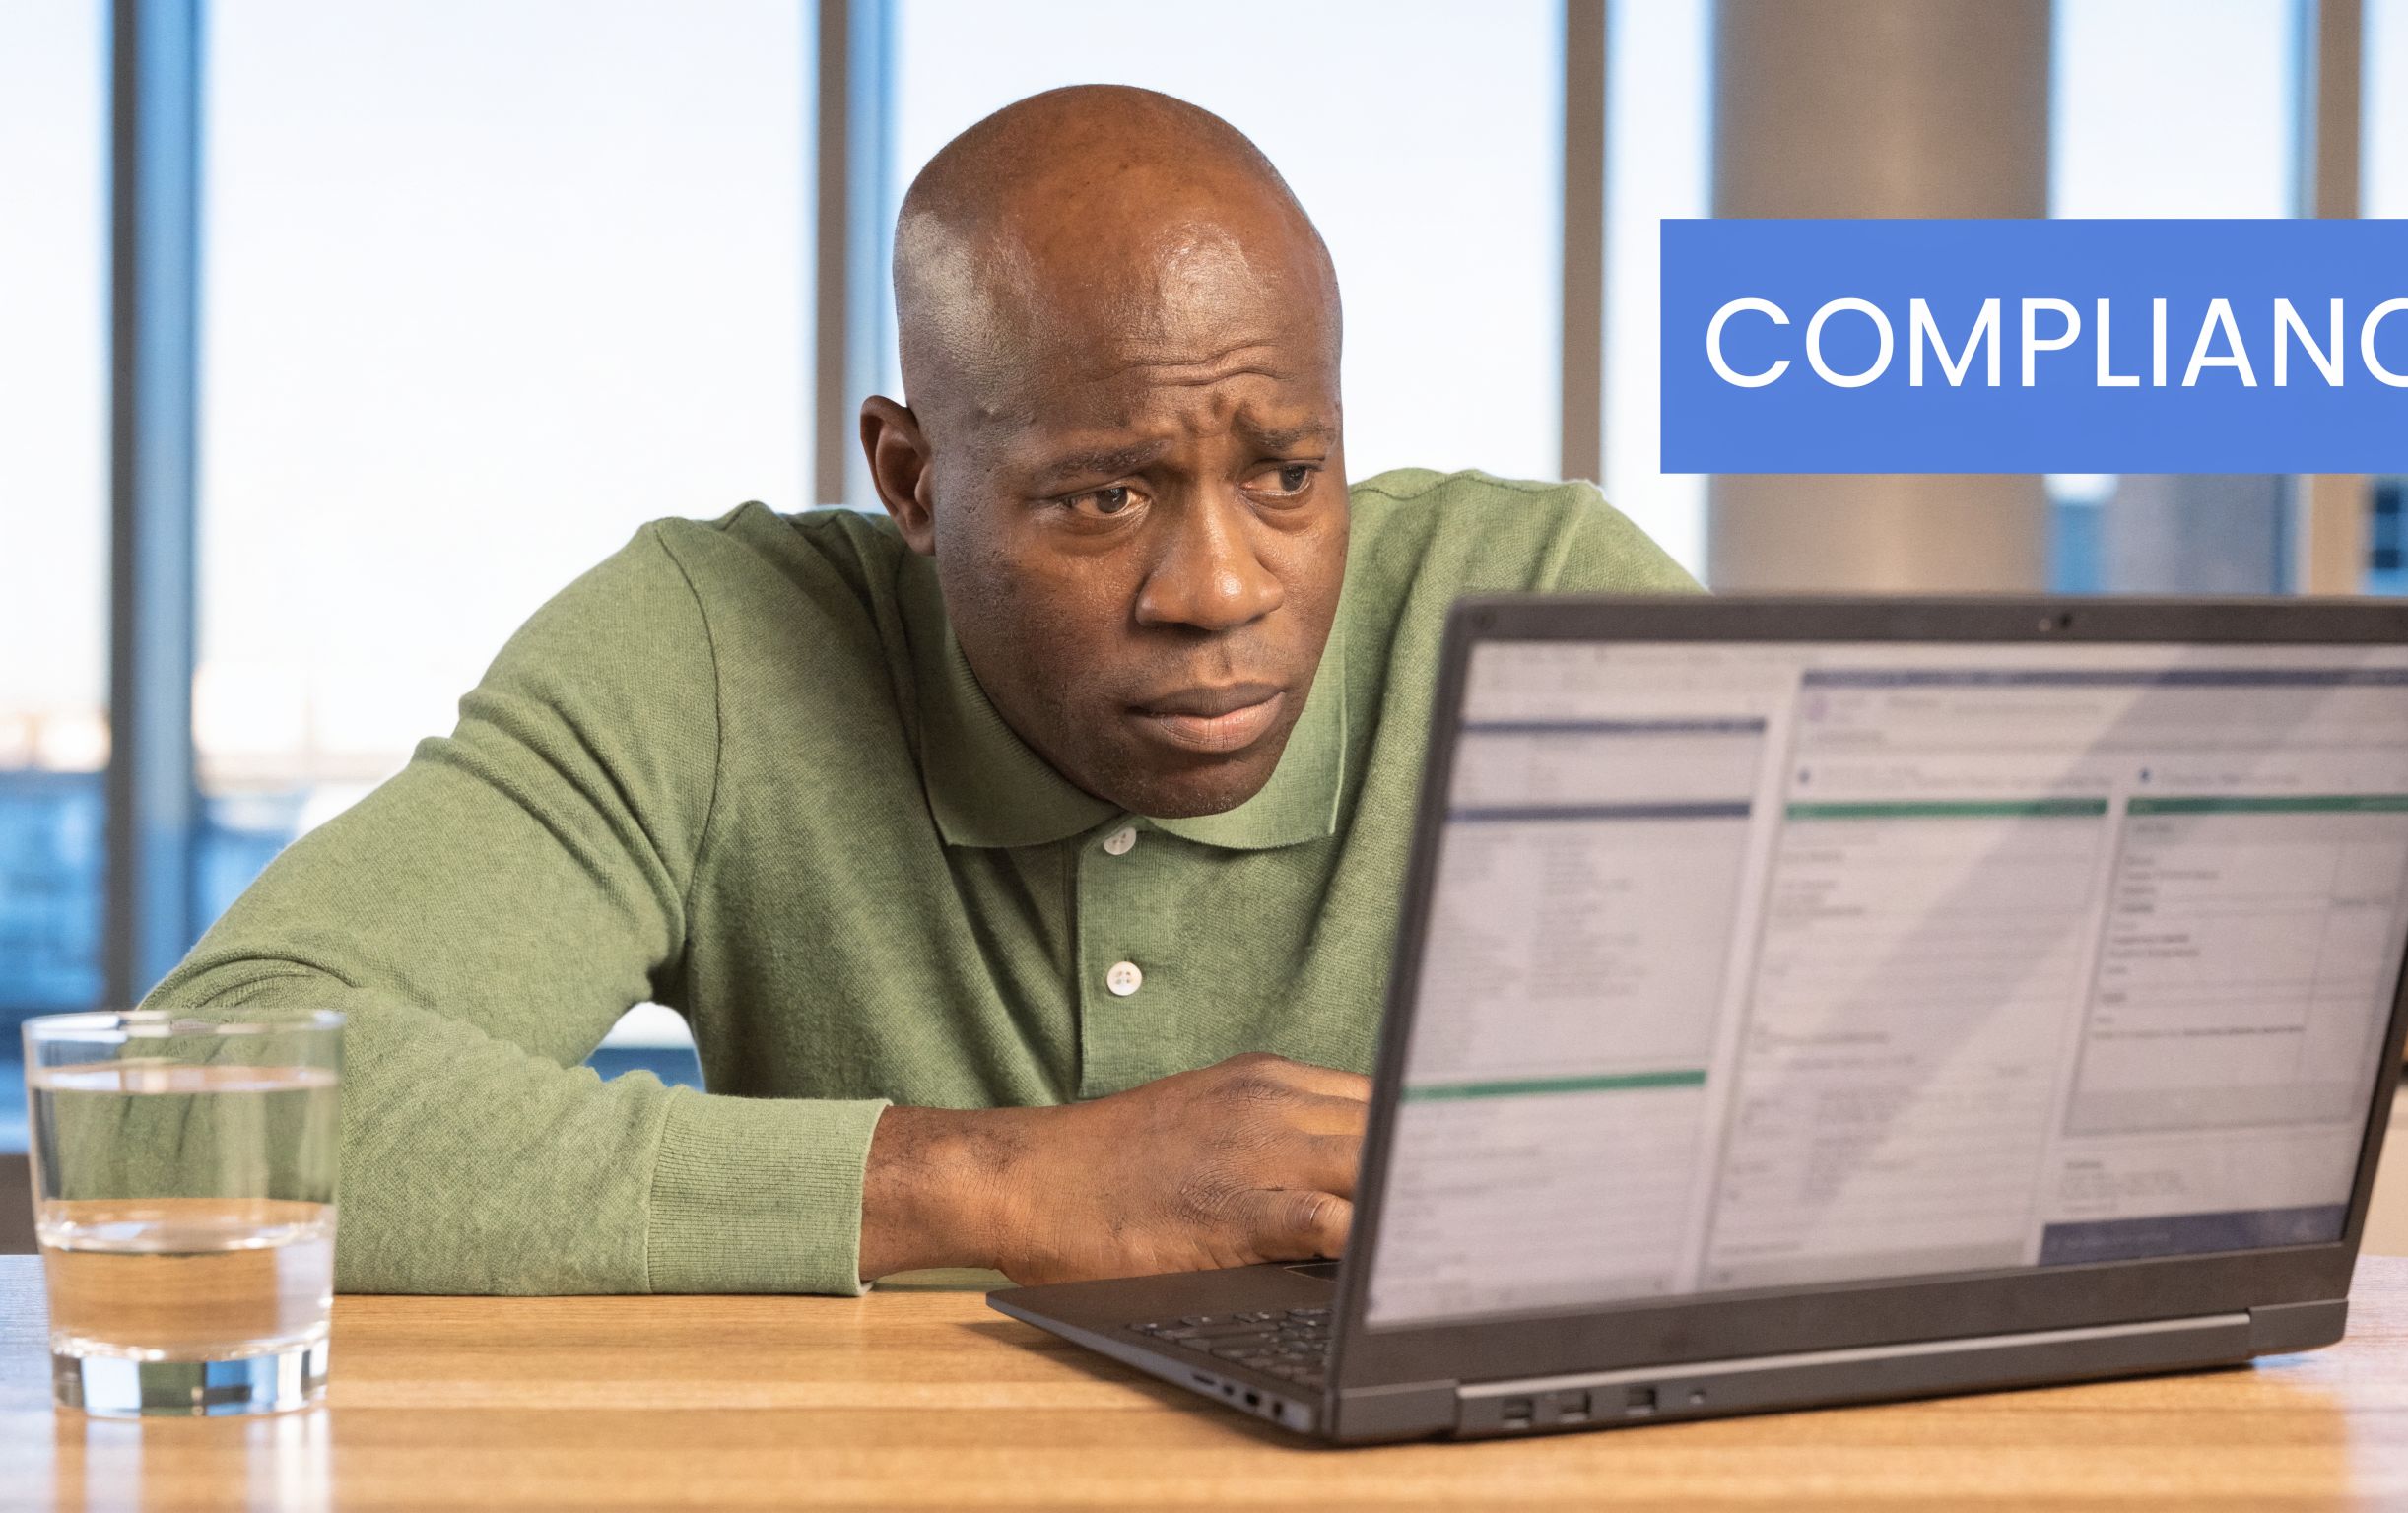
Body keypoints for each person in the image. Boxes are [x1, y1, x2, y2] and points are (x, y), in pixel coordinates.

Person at [147, 85, 1697, 1294]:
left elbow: (1903, 1074)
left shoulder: (1547, 601)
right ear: (911, 474)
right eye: (1105, 497)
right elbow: (199, 1102)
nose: (1222, 590)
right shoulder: (714, 643)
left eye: (1289, 472)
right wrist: (1008, 1186)